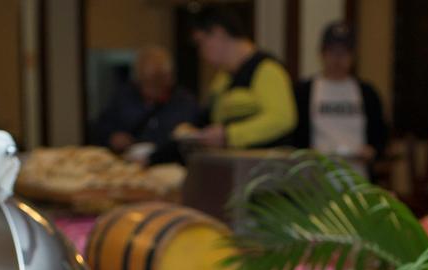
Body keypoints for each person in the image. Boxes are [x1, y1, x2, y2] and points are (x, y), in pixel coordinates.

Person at [189, 9, 296, 150]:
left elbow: (282, 119)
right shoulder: (223, 79)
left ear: (219, 33)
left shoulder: (266, 69)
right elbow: (212, 117)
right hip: (236, 162)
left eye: (201, 42)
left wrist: (229, 135)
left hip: (265, 164)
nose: (201, 52)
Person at [293, 22, 388, 168]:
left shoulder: (367, 93)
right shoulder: (304, 92)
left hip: (357, 174)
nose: (338, 58)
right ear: (322, 54)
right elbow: (294, 135)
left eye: (344, 52)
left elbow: (381, 134)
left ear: (353, 56)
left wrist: (373, 150)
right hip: (316, 174)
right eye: (332, 52)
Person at [91, 46, 199, 159]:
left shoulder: (185, 103)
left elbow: (191, 142)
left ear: (168, 78)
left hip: (168, 168)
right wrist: (112, 138)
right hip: (127, 166)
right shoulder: (123, 97)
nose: (148, 89)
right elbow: (100, 129)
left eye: (155, 81)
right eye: (143, 81)